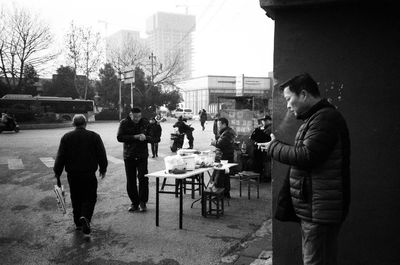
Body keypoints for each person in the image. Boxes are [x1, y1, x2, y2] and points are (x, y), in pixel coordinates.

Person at [259, 73, 350, 265]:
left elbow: (307, 155)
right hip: (316, 208)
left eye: (289, 99)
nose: (288, 105)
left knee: (315, 261)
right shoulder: (317, 118)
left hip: (320, 211)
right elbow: (307, 153)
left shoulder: (325, 118)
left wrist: (273, 147)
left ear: (303, 94)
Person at [53, 114, 108, 236]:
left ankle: (78, 223)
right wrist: (103, 169)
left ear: (73, 124)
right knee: (90, 197)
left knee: (76, 197)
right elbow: (101, 154)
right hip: (89, 174)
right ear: (85, 123)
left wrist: (57, 172)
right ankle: (86, 217)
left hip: (73, 175)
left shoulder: (66, 137)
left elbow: (61, 156)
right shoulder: (94, 136)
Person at [117, 107, 153, 213]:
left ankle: (143, 202)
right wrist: (135, 137)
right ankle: (134, 203)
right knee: (131, 180)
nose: (137, 119)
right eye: (135, 116)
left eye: (139, 116)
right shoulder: (124, 123)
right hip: (129, 155)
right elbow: (120, 137)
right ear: (130, 114)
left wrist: (145, 137)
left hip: (142, 155)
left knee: (143, 178)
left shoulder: (146, 123)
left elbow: (154, 138)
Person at [211, 117, 236, 198]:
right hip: (225, 156)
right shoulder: (227, 132)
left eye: (219, 125)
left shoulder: (227, 133)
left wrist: (213, 142)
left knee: (220, 176)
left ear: (224, 124)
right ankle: (225, 194)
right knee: (224, 176)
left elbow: (220, 144)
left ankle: (219, 194)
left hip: (224, 158)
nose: (218, 126)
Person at [250, 115, 272, 181]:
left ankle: (267, 177)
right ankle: (258, 177)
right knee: (257, 163)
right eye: (263, 120)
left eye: (265, 120)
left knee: (266, 164)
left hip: (267, 149)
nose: (263, 122)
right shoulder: (258, 129)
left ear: (270, 120)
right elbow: (252, 138)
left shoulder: (271, 128)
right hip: (258, 149)